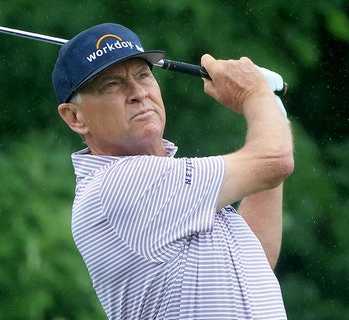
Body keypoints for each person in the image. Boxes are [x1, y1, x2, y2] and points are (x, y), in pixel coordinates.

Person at [52, 23, 294, 319]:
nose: (138, 92)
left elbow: (256, 257)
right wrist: (256, 95)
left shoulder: (177, 192)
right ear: (75, 117)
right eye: (112, 85)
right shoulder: (118, 184)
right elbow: (274, 162)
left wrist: (272, 110)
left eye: (143, 75)